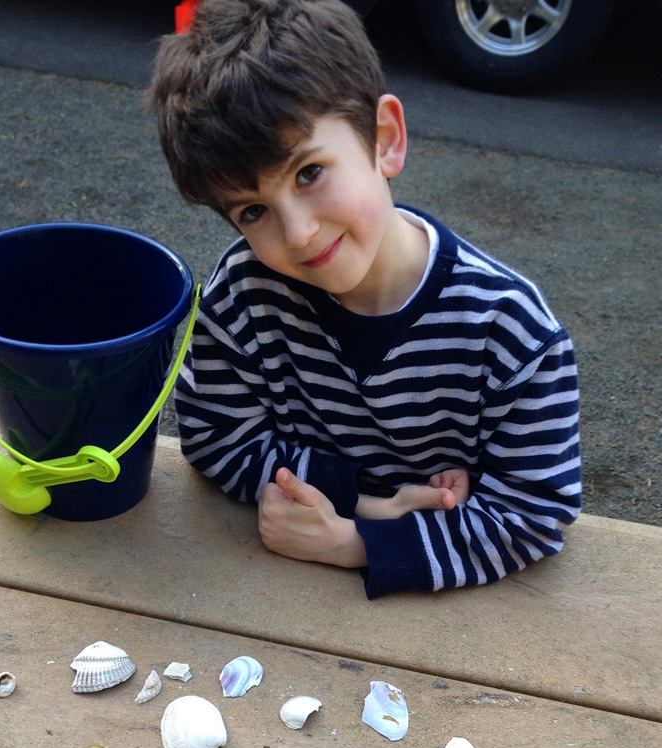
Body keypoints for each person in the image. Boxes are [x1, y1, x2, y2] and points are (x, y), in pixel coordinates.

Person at [148, 0, 581, 598]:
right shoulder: (242, 297)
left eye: (308, 173)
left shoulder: (514, 333)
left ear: (385, 139)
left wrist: (351, 543)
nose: (297, 233)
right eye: (253, 211)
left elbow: (532, 515)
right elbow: (217, 437)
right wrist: (374, 504)